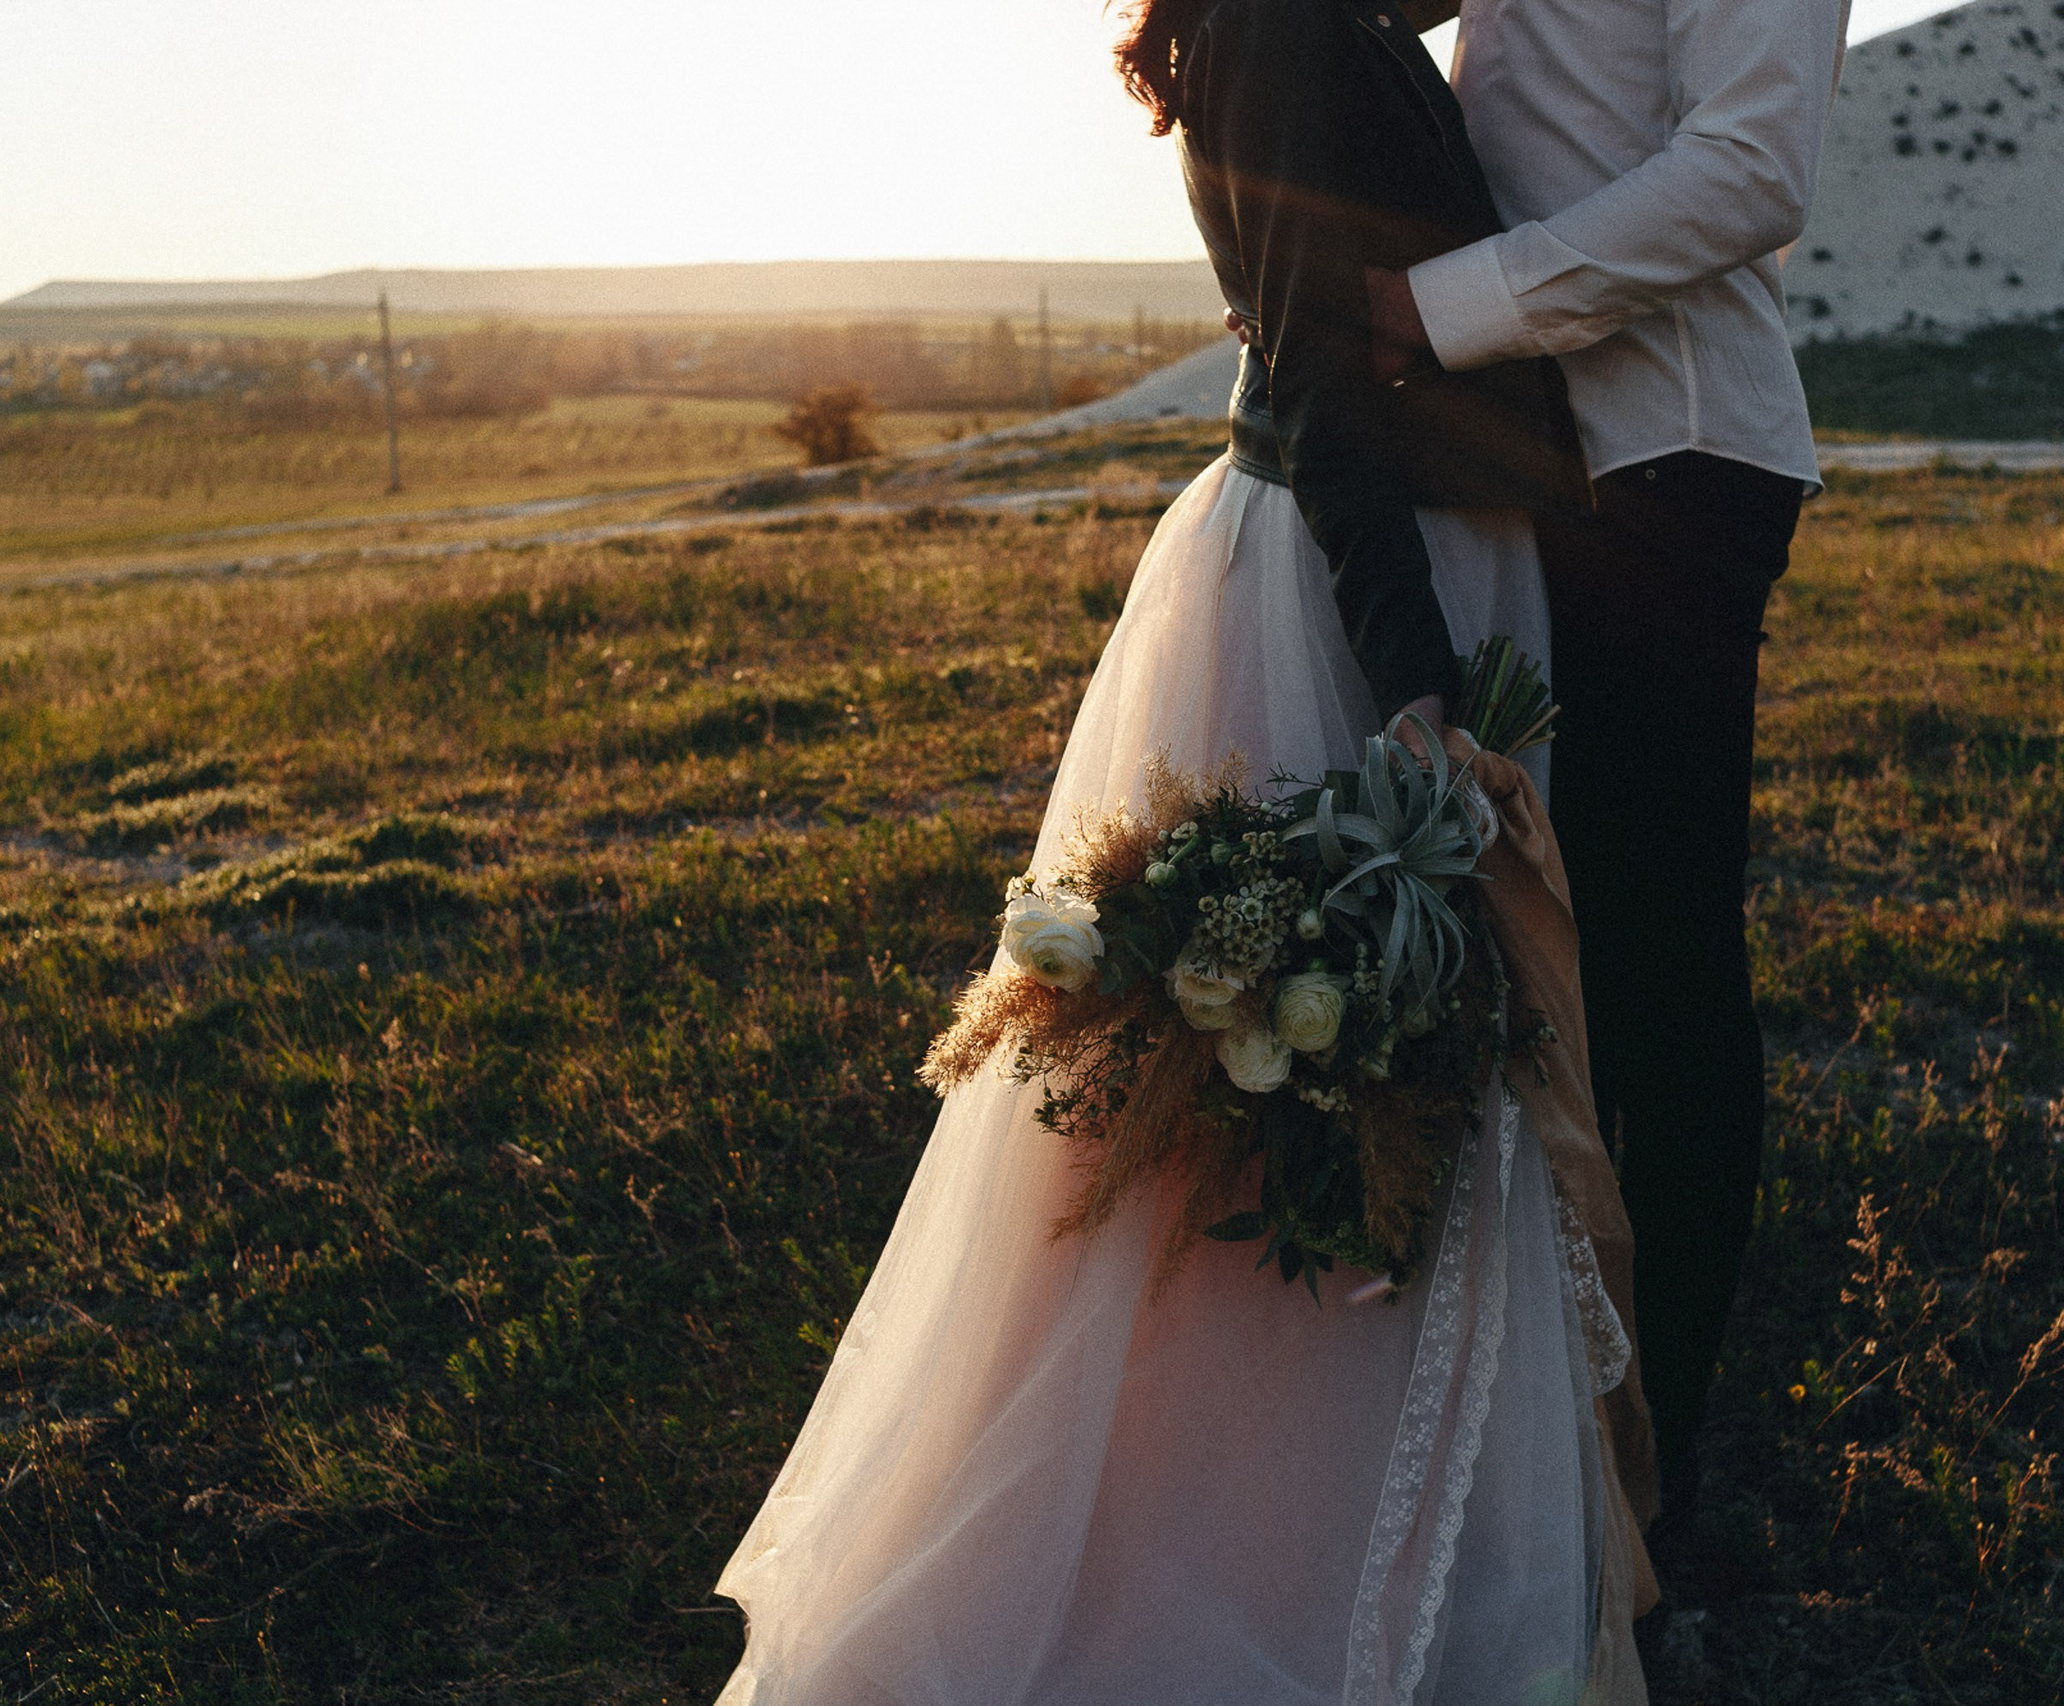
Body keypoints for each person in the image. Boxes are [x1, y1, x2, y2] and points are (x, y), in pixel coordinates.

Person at [711, 0, 1654, 1700]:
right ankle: (1259, 1548)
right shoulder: (1282, 32)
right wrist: (1415, 679)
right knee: (1322, 1075)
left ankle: (1383, 1514)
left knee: (1371, 1074)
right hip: (1359, 600)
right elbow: (1318, 370)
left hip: (1411, 561)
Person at [1366, 0, 1852, 1515]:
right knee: (1550, 953)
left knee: (1657, 974)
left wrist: (1438, 307)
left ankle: (1658, 1460)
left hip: (1670, 457)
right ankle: (1552, 1410)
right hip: (1539, 456)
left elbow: (1751, 169)